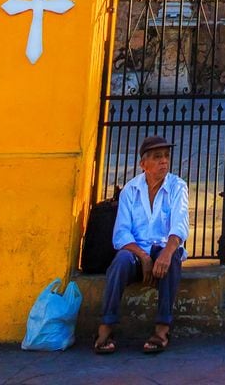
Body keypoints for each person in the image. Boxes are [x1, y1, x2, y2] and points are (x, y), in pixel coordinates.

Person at [94, 133, 190, 355]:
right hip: (136, 255)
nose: (163, 161)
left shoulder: (177, 187)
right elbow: (121, 234)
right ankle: (106, 326)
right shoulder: (130, 190)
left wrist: (165, 254)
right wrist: (144, 257)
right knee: (120, 261)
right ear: (143, 164)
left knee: (173, 257)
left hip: (162, 251)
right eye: (157, 157)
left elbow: (180, 225)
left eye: (166, 156)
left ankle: (162, 330)